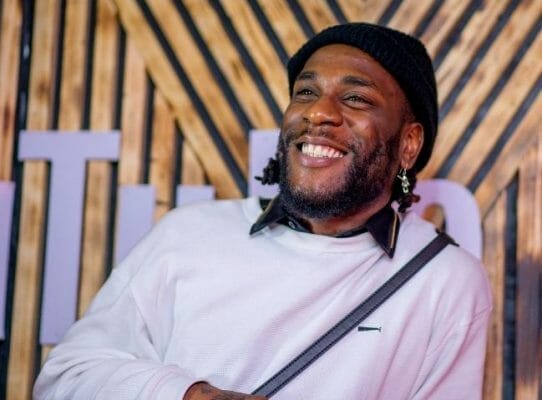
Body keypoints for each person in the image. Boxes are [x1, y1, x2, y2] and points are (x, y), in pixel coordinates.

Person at [34, 22, 492, 400]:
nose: (318, 113)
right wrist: (190, 395)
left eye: (355, 98)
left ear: (409, 144)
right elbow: (65, 378)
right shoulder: (189, 233)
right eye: (305, 92)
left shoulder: (444, 279)